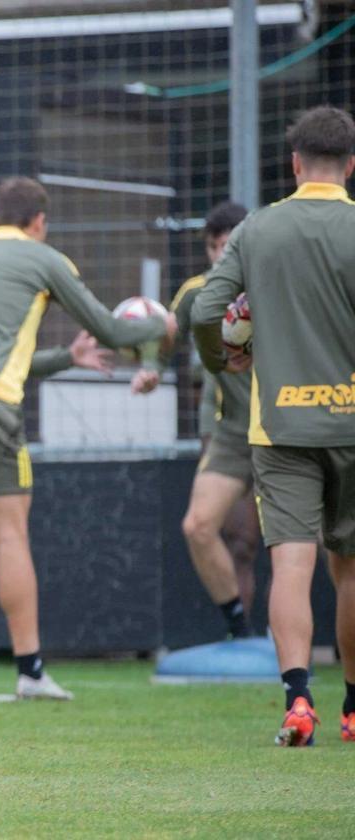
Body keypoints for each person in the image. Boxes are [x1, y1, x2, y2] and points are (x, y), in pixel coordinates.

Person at [0, 176, 175, 701]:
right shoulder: (47, 260)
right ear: (39, 221)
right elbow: (113, 330)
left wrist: (69, 357)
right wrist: (163, 326)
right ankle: (31, 672)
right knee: (8, 536)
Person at [192, 105, 355, 747]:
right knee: (350, 570)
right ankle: (352, 710)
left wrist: (225, 360)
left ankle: (298, 704)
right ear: (350, 165)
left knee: (292, 564)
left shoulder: (258, 229)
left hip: (282, 422)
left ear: (294, 164)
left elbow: (209, 307)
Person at [132, 201, 259, 640]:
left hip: (288, 426)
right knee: (206, 528)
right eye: (214, 246)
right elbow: (163, 342)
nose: (222, 254)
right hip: (227, 430)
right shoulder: (195, 293)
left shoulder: (276, 285)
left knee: (306, 542)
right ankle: (240, 633)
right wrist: (149, 370)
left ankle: (310, 652)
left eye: (230, 245)